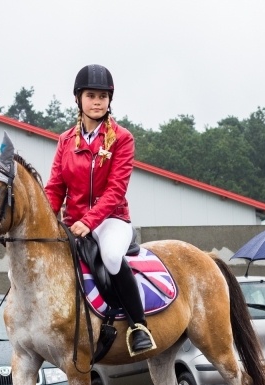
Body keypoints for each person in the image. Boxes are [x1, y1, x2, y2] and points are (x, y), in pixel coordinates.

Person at [44, 64, 155, 356]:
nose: (97, 101)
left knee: (111, 255)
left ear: (109, 100)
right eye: (91, 95)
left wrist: (89, 222)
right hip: (74, 221)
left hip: (112, 219)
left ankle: (138, 325)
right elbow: (55, 187)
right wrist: (45, 220)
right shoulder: (65, 141)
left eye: (103, 96)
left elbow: (116, 189)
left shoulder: (122, 138)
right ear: (78, 99)